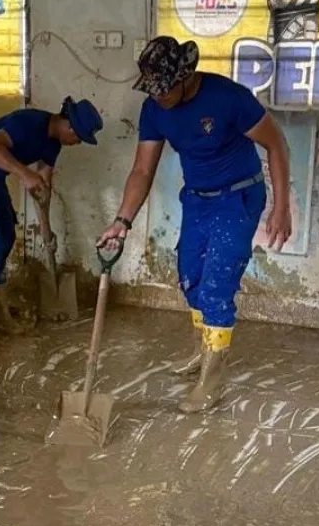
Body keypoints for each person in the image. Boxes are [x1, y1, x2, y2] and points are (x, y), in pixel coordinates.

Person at [97, 36, 292, 414]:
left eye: (164, 89)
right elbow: (142, 169)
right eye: (151, 90)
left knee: (217, 287)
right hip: (198, 199)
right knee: (190, 279)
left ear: (186, 77)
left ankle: (213, 379)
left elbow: (276, 143)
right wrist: (122, 221)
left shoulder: (228, 97)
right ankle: (203, 349)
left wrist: (282, 207)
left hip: (238, 197)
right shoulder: (154, 109)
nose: (157, 97)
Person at [0, 96, 103, 334]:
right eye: (79, 138)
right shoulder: (28, 122)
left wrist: (45, 228)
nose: (77, 143)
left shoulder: (54, 144)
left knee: (7, 233)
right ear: (69, 126)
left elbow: (43, 187)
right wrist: (24, 173)